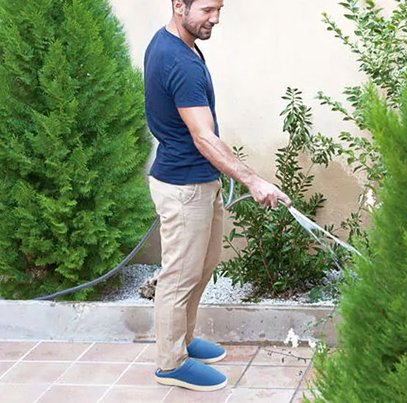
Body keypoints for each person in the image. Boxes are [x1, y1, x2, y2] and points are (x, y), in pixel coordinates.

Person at [144, 0, 291, 392]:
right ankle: (171, 362)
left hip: (200, 180)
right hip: (184, 188)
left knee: (201, 268)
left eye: (219, 8)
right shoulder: (180, 62)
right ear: (179, 5)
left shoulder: (178, 44)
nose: (216, 18)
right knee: (179, 277)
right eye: (207, 9)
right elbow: (204, 137)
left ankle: (184, 338)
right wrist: (254, 181)